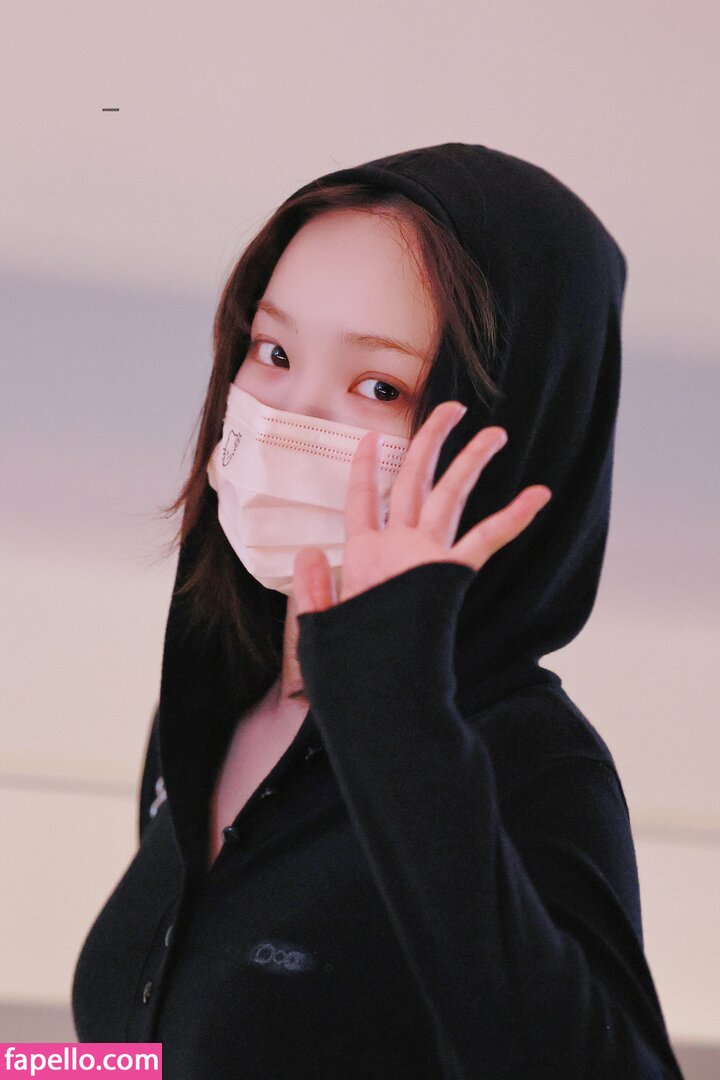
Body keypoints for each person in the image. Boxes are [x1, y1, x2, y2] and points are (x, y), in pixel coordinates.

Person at [71, 143, 684, 1078]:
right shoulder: (207, 712)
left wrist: (394, 715)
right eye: (274, 352)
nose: (290, 414)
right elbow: (160, 1051)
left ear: (509, 441)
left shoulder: (527, 762)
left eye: (380, 387)